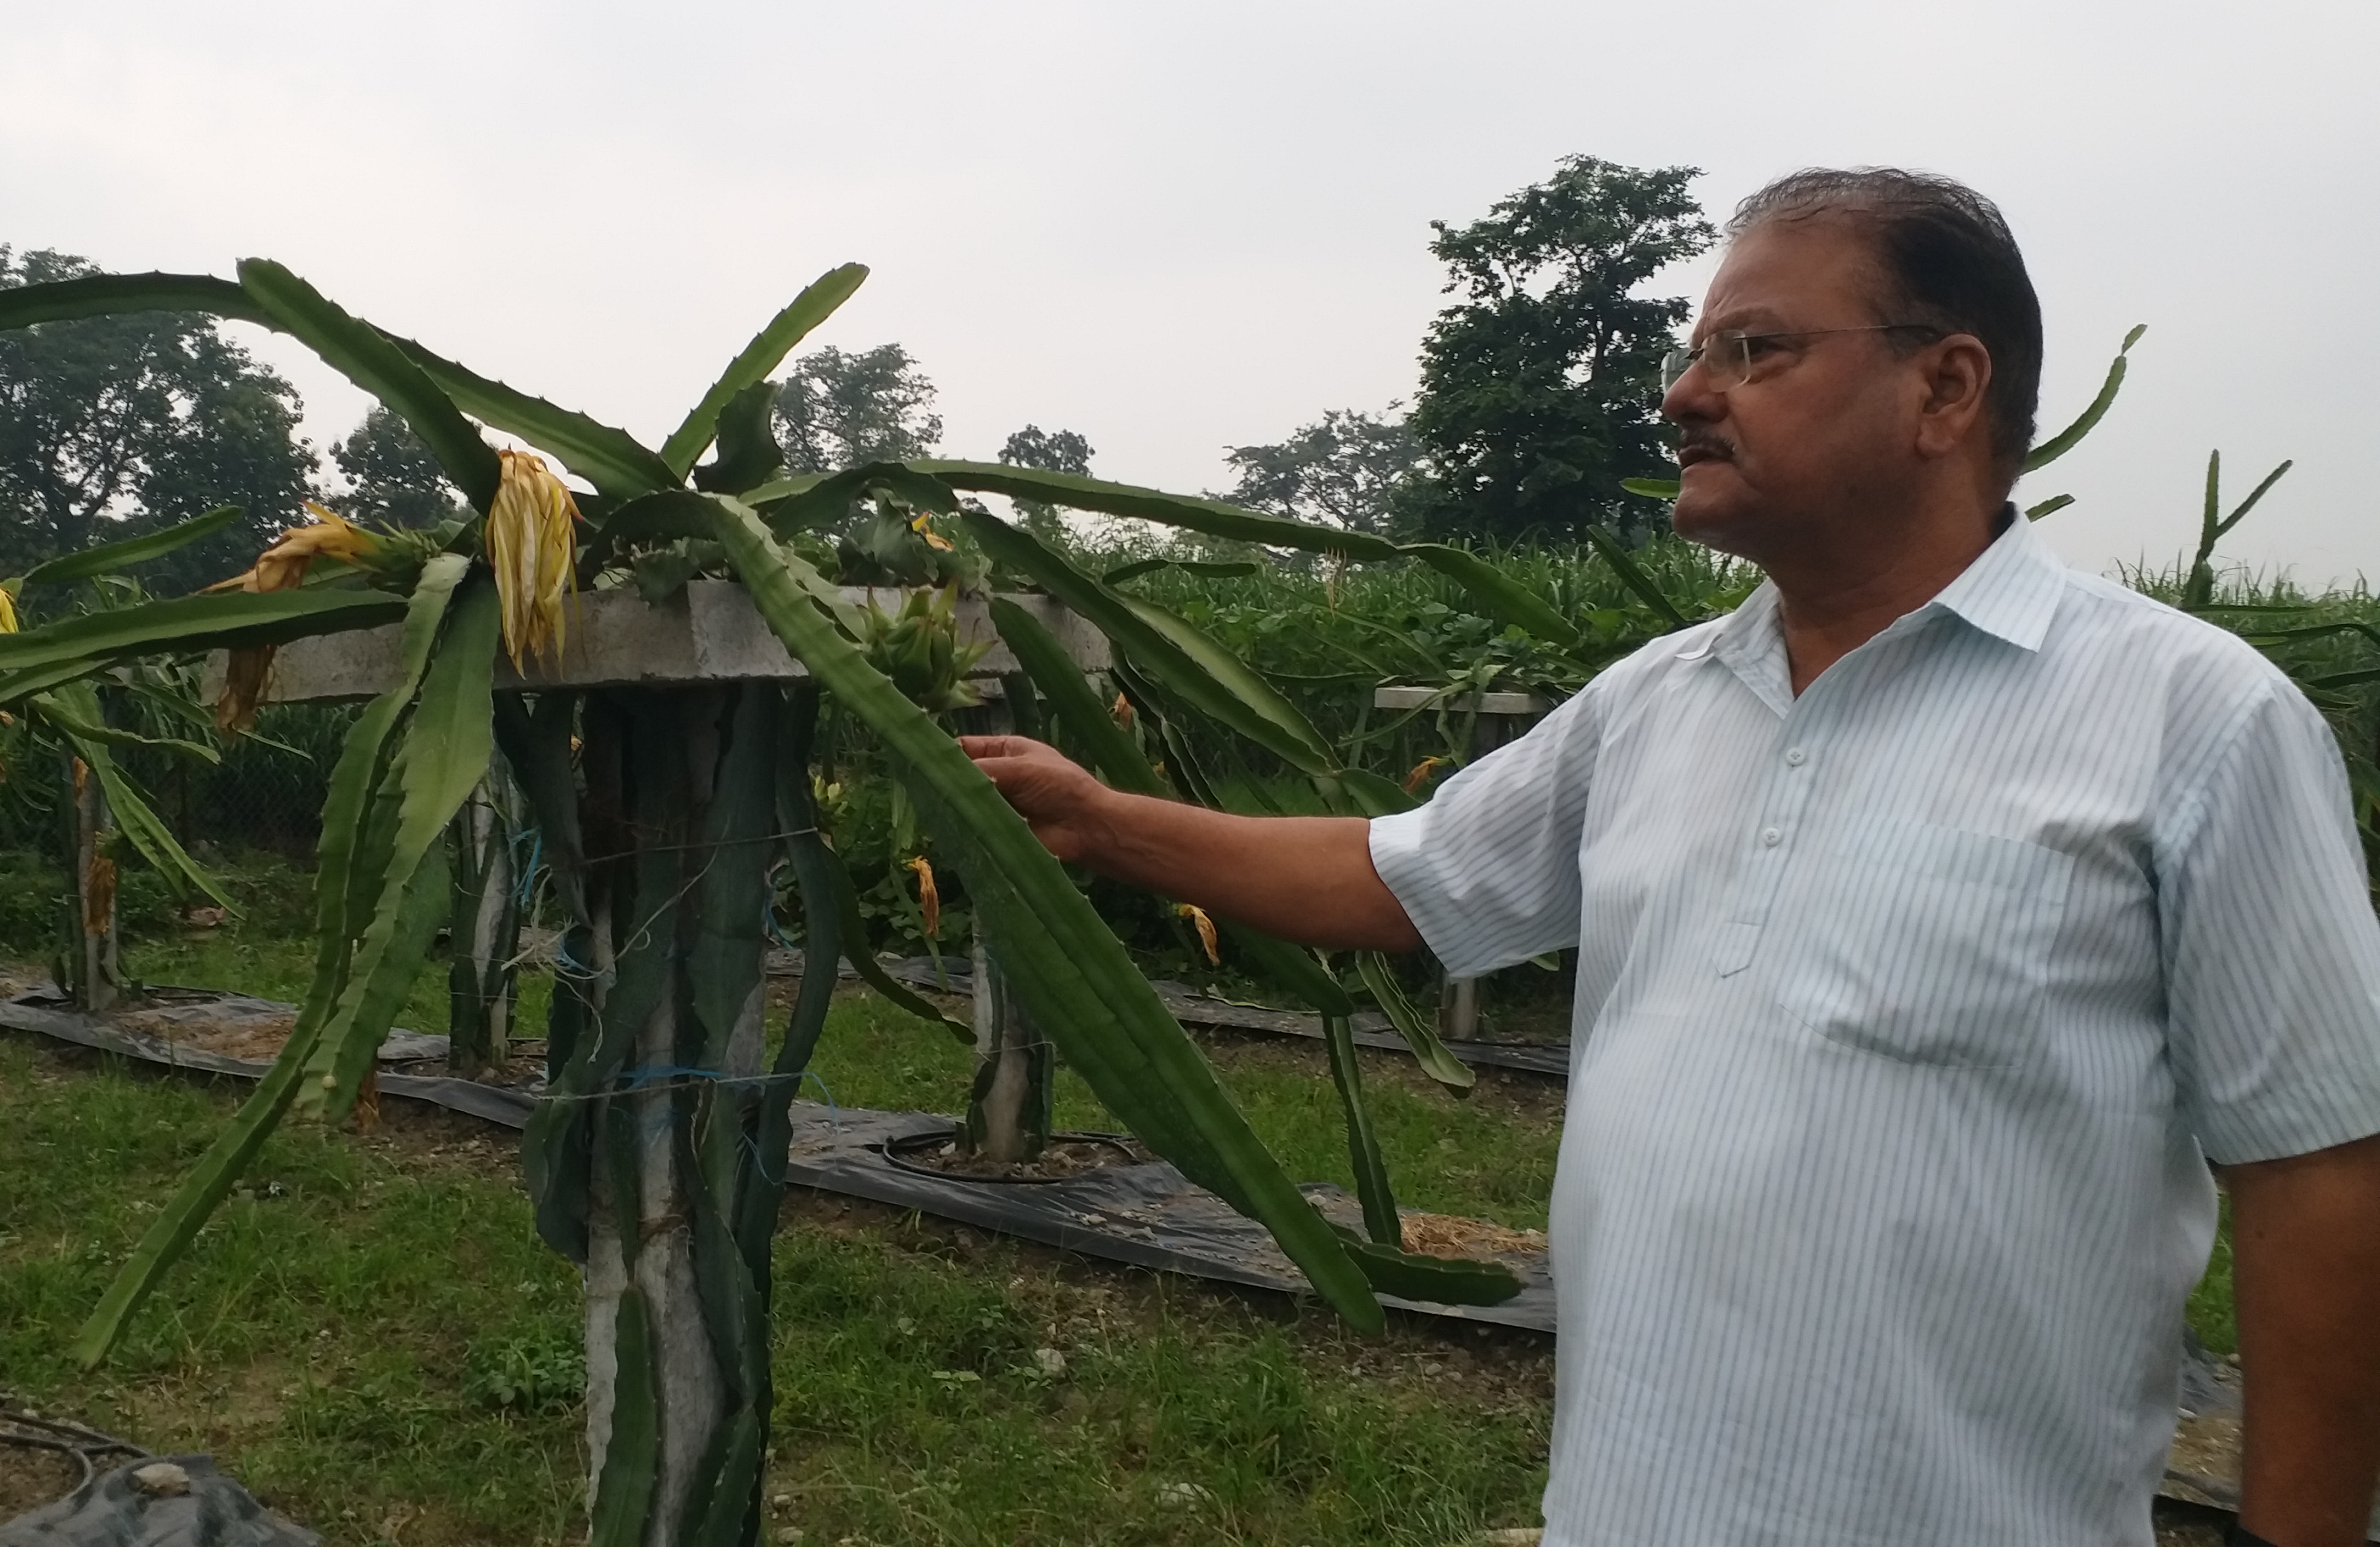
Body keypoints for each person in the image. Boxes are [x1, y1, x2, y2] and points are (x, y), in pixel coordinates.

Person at [964, 168, 2380, 1547]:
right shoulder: (1659, 701)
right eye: (1697, 351)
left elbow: (2317, 1168)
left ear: (1946, 390)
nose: (1686, 396)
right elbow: (1406, 874)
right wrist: (1100, 820)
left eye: (1754, 350)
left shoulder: (2194, 722)